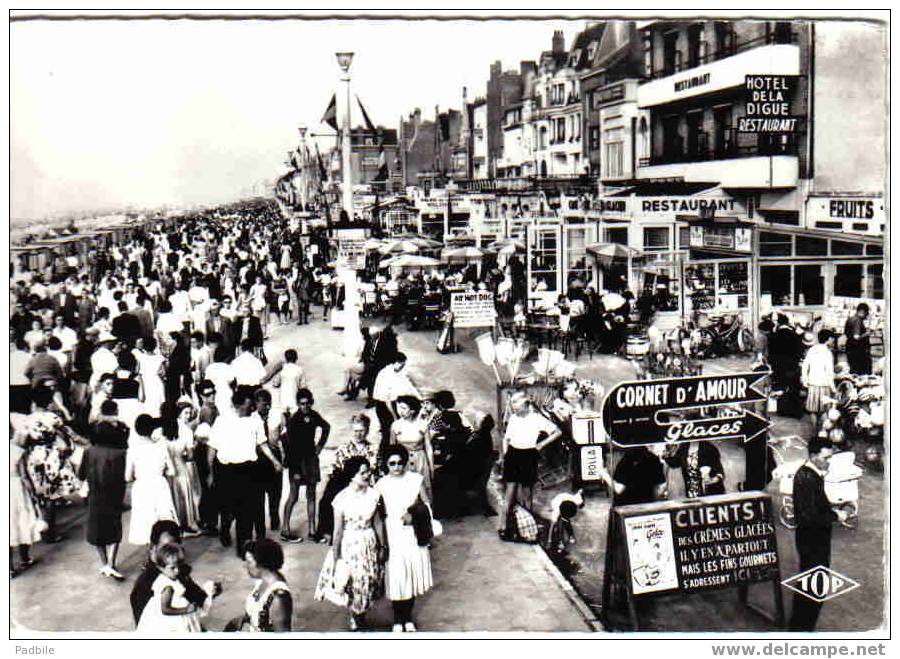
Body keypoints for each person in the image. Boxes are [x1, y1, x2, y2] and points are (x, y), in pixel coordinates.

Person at [207, 389, 283, 558]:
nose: (251, 409)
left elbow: (263, 445)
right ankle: (225, 529)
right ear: (238, 405)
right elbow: (212, 449)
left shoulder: (254, 422)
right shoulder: (222, 421)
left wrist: (275, 461)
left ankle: (244, 548)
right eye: (248, 406)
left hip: (249, 469)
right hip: (227, 471)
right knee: (229, 509)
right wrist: (211, 473)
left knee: (247, 511)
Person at [314, 456, 386, 631]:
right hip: (350, 543)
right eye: (363, 472)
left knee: (369, 580)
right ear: (352, 476)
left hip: (369, 542)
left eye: (368, 471)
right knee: (353, 581)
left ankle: (360, 614)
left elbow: (377, 522)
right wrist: (336, 554)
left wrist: (383, 546)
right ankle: (356, 616)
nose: (368, 475)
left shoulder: (374, 494)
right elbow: (338, 531)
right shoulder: (341, 498)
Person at [789, 439, 848, 631]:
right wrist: (835, 515)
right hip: (812, 540)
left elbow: (815, 506)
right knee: (815, 585)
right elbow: (810, 515)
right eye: (826, 458)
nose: (828, 462)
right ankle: (801, 629)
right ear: (814, 456)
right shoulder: (807, 477)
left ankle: (801, 626)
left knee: (812, 582)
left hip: (813, 539)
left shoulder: (812, 475)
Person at [376, 445, 433, 632]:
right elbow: (375, 510)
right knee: (396, 575)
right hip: (392, 532)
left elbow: (427, 503)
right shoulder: (381, 484)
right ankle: (397, 619)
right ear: (386, 465)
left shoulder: (415, 480)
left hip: (412, 532)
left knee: (411, 572)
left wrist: (414, 514)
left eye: (400, 463)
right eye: (392, 464)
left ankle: (408, 617)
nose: (397, 467)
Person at [497, 390, 561, 542]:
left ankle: (528, 529)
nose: (512, 406)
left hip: (528, 455)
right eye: (512, 403)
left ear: (525, 403)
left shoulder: (537, 419)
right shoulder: (513, 418)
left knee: (527, 495)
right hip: (513, 455)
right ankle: (503, 527)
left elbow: (557, 432)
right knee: (510, 494)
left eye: (515, 403)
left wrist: (540, 445)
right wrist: (506, 455)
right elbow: (507, 438)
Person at [130, 520, 216, 626]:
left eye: (175, 547)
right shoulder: (145, 585)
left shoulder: (176, 572)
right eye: (165, 548)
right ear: (152, 548)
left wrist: (210, 593)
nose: (171, 554)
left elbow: (197, 596)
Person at [78, 400, 129, 579]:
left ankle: (104, 562)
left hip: (94, 495)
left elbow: (81, 474)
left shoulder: (89, 451)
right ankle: (111, 563)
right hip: (114, 495)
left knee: (97, 531)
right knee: (114, 530)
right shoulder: (121, 453)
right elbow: (125, 476)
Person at [317, 414, 380, 544]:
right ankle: (331, 533)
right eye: (356, 431)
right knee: (327, 500)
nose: (358, 434)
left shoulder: (374, 449)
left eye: (361, 430)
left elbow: (377, 471)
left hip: (368, 485)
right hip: (346, 486)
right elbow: (333, 470)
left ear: (367, 430)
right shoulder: (343, 449)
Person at [281, 388, 331, 543]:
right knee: (293, 496)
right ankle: (285, 528)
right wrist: (294, 469)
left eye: (308, 403)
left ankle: (312, 530)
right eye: (302, 404)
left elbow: (326, 427)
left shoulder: (314, 416)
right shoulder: (294, 421)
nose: (305, 406)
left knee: (311, 496)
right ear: (298, 404)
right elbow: (288, 446)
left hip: (310, 460)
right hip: (297, 461)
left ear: (311, 403)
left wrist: (320, 445)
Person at [126, 414, 178, 546]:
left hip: (142, 486)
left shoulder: (133, 450)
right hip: (159, 484)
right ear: (152, 429)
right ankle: (165, 549)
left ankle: (151, 554)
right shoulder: (161, 447)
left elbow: (128, 477)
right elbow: (172, 471)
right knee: (163, 517)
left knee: (145, 520)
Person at [136, 543, 209, 633]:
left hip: (176, 607)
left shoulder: (169, 577)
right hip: (171, 618)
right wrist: (185, 610)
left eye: (178, 566)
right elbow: (165, 609)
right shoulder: (168, 587)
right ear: (161, 568)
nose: (177, 571)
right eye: (172, 568)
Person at [225, 539, 292, 632]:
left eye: (249, 562)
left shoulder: (278, 598)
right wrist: (244, 618)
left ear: (262, 563)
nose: (245, 566)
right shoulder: (262, 581)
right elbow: (258, 609)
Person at [163, 403, 203, 536]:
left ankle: (175, 526)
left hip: (167, 471)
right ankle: (186, 525)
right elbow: (190, 455)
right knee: (184, 496)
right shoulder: (186, 431)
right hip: (181, 467)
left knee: (172, 498)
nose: (189, 416)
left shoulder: (160, 431)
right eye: (186, 413)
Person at [10, 428, 43, 578]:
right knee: (23, 521)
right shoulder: (17, 451)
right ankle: (24, 558)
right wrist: (33, 493)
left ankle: (9, 568)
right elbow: (24, 476)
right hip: (17, 490)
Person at [390, 396, 434, 501]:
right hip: (402, 462)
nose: (400, 411)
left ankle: (426, 514)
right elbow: (392, 448)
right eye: (398, 408)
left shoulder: (422, 425)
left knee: (423, 491)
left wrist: (431, 468)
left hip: (420, 461)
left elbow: (428, 448)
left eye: (404, 408)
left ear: (412, 410)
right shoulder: (395, 426)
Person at [598, 445, 668, 506]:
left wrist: (605, 475)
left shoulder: (627, 459)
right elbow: (661, 488)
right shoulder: (654, 458)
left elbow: (619, 489)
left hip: (626, 508)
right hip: (647, 506)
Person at [801, 329, 837, 432]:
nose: (833, 341)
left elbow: (805, 366)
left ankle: (814, 432)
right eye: (832, 339)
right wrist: (834, 388)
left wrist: (805, 380)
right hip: (824, 384)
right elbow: (829, 373)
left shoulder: (812, 350)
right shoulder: (828, 353)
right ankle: (822, 433)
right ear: (828, 339)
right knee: (824, 411)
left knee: (813, 410)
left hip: (812, 384)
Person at [843, 303, 872, 375]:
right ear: (862, 312)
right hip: (858, 350)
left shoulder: (850, 319)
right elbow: (856, 337)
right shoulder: (857, 321)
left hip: (850, 348)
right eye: (866, 313)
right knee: (860, 372)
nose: (867, 316)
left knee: (853, 370)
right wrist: (867, 333)